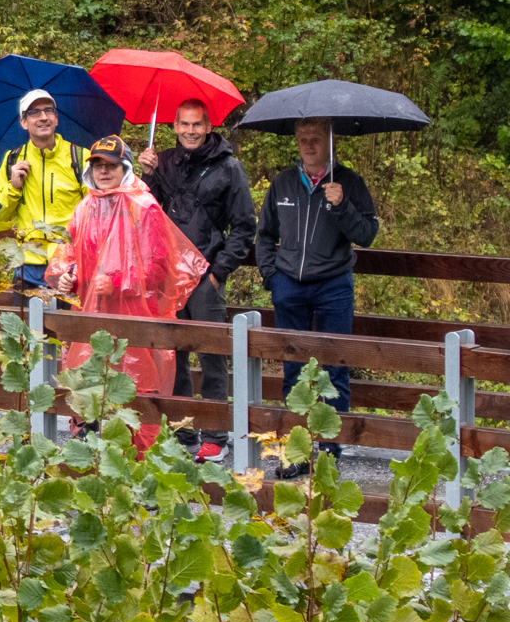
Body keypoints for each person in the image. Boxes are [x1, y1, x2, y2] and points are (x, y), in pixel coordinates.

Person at [47, 137, 210, 455]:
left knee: (138, 397)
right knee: (88, 391)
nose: (103, 171)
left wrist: (119, 280)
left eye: (110, 165)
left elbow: (159, 265)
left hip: (136, 317)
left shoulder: (143, 206)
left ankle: (142, 477)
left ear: (125, 167)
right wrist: (66, 276)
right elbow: (67, 252)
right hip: (92, 317)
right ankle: (93, 476)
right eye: (97, 164)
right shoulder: (85, 208)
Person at [255, 116, 381, 475]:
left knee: (335, 368)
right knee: (294, 370)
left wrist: (342, 205)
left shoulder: (349, 182)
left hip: (333, 286)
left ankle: (328, 453)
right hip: (289, 287)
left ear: (329, 140)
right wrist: (271, 277)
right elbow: (264, 234)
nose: (308, 145)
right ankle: (297, 453)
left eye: (315, 138)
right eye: (303, 138)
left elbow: (368, 234)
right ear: (296, 141)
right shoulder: (282, 183)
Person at [138, 100, 258, 452]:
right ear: (173, 126)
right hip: (168, 274)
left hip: (206, 273)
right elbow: (144, 213)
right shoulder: (162, 163)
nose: (190, 131)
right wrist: (146, 174)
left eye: (197, 125)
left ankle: (217, 436)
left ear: (208, 127)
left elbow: (244, 225)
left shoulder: (228, 167)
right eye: (184, 124)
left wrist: (218, 272)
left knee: (212, 355)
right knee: (174, 355)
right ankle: (183, 433)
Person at [0, 90, 90, 291]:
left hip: (69, 263)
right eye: (34, 112)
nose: (43, 117)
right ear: (24, 122)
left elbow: (95, 211)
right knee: (25, 323)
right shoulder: (13, 160)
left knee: (67, 322)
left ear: (56, 119)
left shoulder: (79, 157)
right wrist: (13, 187)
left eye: (48, 111)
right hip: (27, 265)